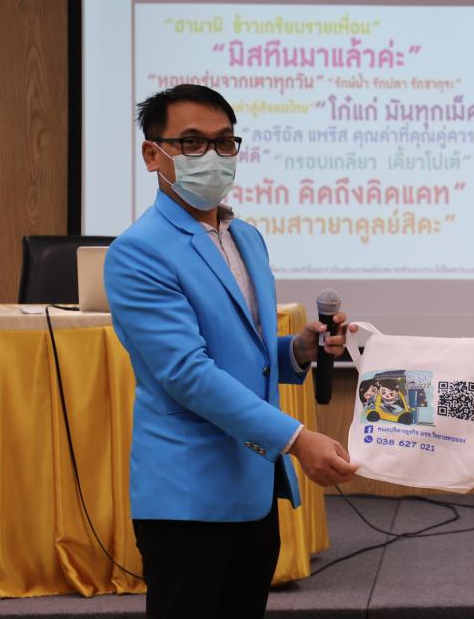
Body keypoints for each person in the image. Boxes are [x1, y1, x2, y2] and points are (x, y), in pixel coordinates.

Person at [104, 84, 358, 619]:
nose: (212, 157)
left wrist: (299, 350)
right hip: (188, 498)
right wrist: (297, 439)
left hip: (253, 486)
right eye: (192, 143)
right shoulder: (139, 251)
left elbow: (247, 354)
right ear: (153, 154)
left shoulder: (245, 237)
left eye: (224, 142)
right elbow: (187, 374)